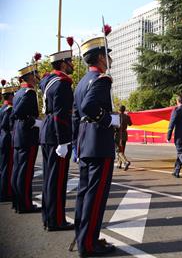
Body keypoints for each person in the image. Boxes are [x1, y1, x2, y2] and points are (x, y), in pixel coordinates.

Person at [72, 37, 119, 256]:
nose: (110, 58)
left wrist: (75, 144)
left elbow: (76, 115)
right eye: (107, 55)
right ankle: (89, 245)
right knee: (96, 196)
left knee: (85, 194)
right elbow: (88, 106)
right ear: (101, 58)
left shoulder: (82, 82)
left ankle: (84, 237)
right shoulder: (102, 79)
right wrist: (110, 120)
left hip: (85, 143)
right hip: (99, 143)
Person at [39, 50, 74, 231]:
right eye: (69, 61)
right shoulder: (62, 84)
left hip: (47, 132)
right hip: (57, 134)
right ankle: (57, 220)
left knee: (49, 179)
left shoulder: (47, 81)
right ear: (62, 64)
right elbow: (61, 114)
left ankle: (48, 217)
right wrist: (63, 141)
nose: (72, 65)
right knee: (58, 180)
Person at [11, 64, 42, 213]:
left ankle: (17, 203)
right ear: (30, 76)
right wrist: (35, 122)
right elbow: (18, 113)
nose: (37, 77)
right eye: (36, 74)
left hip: (19, 136)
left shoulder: (18, 93)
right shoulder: (29, 92)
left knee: (18, 171)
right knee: (25, 173)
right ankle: (25, 205)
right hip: (27, 137)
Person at [0, 85, 17, 202]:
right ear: (10, 96)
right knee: (8, 167)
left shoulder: (3, 108)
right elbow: (7, 124)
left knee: (4, 166)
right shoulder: (9, 109)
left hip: (3, 137)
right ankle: (6, 192)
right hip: (7, 138)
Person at [114, 105, 132, 170]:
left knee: (118, 150)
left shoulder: (117, 116)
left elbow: (114, 126)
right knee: (122, 150)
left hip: (118, 134)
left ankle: (125, 162)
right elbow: (130, 124)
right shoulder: (127, 116)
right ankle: (119, 164)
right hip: (124, 134)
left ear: (119, 110)